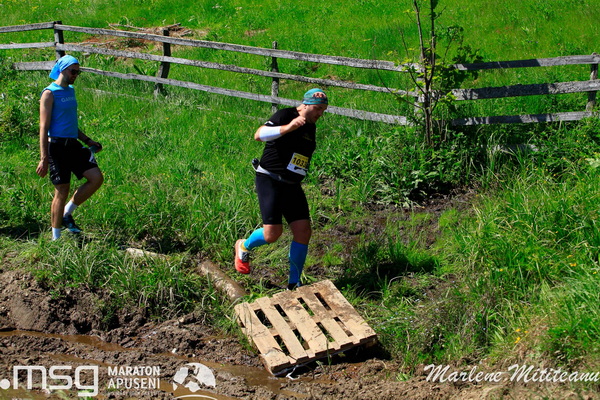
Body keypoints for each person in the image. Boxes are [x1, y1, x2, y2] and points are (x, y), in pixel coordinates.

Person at [235, 88, 328, 290]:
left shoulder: (311, 127)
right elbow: (259, 135)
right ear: (306, 104)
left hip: (292, 185)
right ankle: (243, 245)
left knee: (303, 231)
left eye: (323, 110)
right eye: (318, 108)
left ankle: (294, 283)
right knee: (272, 234)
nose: (320, 113)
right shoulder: (286, 115)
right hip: (270, 179)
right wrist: (288, 127)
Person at [36, 55, 104, 241]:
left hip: (73, 144)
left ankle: (67, 213)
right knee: (62, 190)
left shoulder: (70, 91)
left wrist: (87, 140)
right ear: (63, 69)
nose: (75, 75)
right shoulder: (49, 93)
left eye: (78, 72)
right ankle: (56, 239)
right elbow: (43, 127)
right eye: (73, 71)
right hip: (56, 146)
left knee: (96, 178)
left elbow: (70, 123)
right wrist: (44, 158)